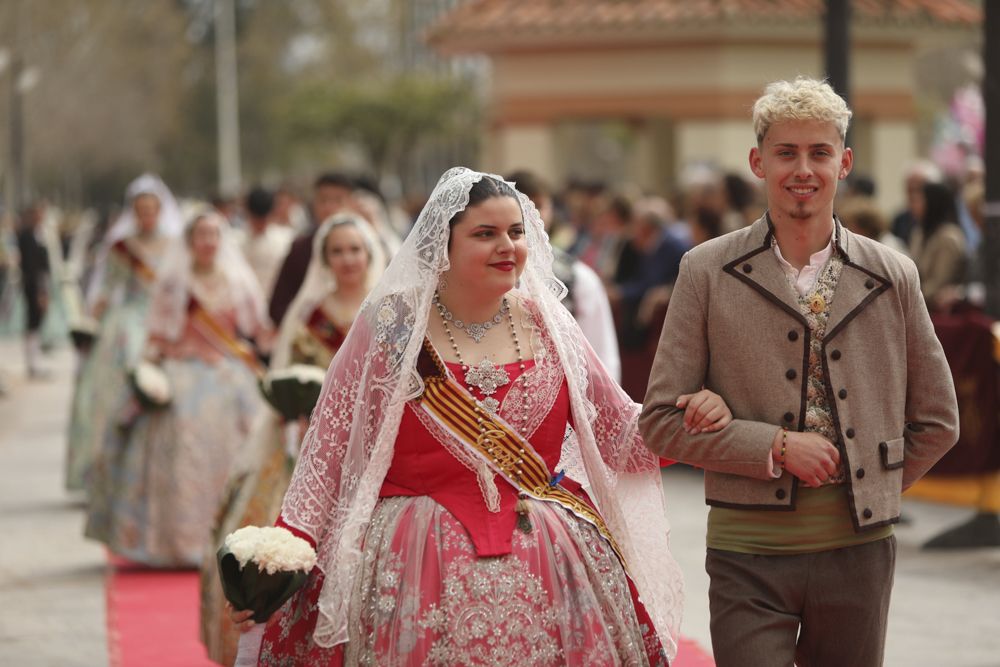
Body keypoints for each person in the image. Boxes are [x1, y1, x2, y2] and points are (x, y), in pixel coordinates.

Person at [230, 167, 735, 665]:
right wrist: (285, 551)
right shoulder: (390, 327)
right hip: (412, 563)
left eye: (516, 232)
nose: (507, 246)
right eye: (485, 234)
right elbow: (328, 453)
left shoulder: (549, 323)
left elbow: (619, 434)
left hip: (551, 557)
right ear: (441, 245)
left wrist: (688, 416)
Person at [639, 78, 960, 667]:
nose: (803, 169)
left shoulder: (894, 274)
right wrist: (775, 446)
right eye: (786, 153)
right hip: (745, 553)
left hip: (859, 555)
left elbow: (938, 421)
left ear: (845, 160)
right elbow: (659, 421)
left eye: (819, 152)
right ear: (758, 161)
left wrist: (871, 486)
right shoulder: (705, 270)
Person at [199, 212, 385, 666]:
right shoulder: (308, 318)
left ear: (369, 254)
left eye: (354, 250)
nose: (347, 259)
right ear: (323, 260)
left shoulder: (390, 309)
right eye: (337, 251)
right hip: (309, 442)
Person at [84, 210, 270, 566]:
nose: (208, 242)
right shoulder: (173, 283)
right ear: (189, 242)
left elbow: (256, 331)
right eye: (201, 235)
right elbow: (156, 336)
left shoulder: (237, 280)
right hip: (182, 373)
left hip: (229, 377)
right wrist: (152, 369)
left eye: (214, 234)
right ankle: (182, 542)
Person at [65, 175, 182, 492]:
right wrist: (90, 322)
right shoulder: (122, 247)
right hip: (125, 322)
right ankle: (106, 470)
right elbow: (106, 289)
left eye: (151, 209)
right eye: (140, 209)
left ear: (160, 211)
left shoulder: (174, 245)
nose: (146, 216)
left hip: (159, 321)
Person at [506, 169, 621, 381]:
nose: (530, 215)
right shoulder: (482, 275)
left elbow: (602, 356)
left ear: (551, 209)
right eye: (520, 206)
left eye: (538, 206)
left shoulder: (578, 278)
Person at [268, 172, 356, 326]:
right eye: (323, 200)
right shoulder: (300, 248)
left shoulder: (366, 245)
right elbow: (278, 306)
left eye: (337, 200)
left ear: (351, 203)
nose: (329, 207)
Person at [909, 181, 968, 309]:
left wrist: (907, 294)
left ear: (933, 203)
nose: (912, 205)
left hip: (942, 310)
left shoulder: (949, 237)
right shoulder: (918, 233)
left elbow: (939, 283)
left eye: (919, 201)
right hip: (919, 301)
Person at [237, 185, 293, 303]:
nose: (260, 224)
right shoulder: (236, 242)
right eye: (256, 219)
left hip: (277, 303)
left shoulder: (287, 239)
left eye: (264, 219)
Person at [15, 204, 51, 379]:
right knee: (32, 322)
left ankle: (35, 361)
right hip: (33, 286)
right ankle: (32, 364)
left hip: (39, 284)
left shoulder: (39, 234)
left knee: (36, 323)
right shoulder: (26, 236)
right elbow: (31, 266)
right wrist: (39, 291)